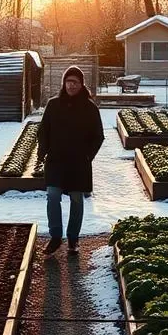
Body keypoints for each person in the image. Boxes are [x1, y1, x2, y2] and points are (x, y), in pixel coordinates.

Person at [36, 65, 104, 255]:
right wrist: (43, 153)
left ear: (82, 85)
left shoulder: (89, 108)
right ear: (64, 83)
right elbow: (43, 131)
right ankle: (55, 237)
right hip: (56, 161)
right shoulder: (53, 105)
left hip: (78, 164)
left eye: (75, 82)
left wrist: (87, 156)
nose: (71, 85)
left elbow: (98, 136)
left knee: (76, 199)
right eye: (68, 81)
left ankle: (73, 238)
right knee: (52, 196)